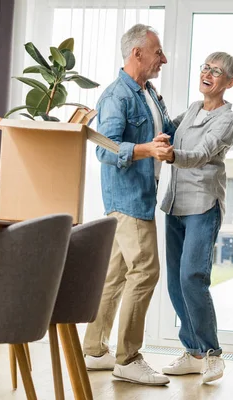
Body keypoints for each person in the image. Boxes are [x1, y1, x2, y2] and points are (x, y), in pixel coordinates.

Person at [82, 23, 174, 386]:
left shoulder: (148, 92)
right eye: (157, 52)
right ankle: (129, 358)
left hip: (141, 197)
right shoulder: (117, 96)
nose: (162, 59)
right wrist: (146, 150)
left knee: (116, 275)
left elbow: (165, 129)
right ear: (137, 53)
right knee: (146, 271)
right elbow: (105, 149)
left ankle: (93, 349)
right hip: (128, 201)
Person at [153, 52, 233, 384]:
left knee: (193, 277)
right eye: (205, 67)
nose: (208, 73)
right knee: (176, 281)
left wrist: (172, 154)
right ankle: (193, 352)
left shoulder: (226, 120)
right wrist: (156, 109)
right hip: (175, 205)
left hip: (203, 206)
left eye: (216, 72)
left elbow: (202, 154)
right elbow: (170, 128)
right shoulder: (193, 108)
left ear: (229, 83)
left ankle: (213, 354)